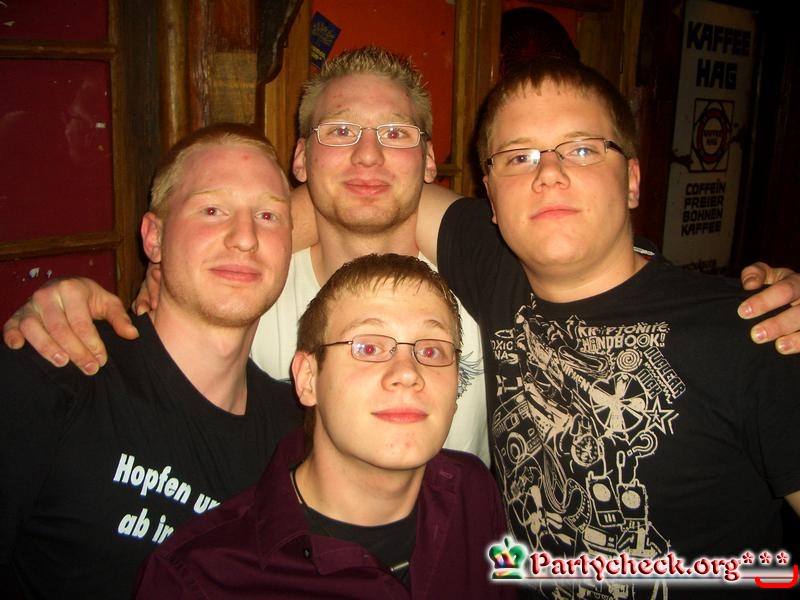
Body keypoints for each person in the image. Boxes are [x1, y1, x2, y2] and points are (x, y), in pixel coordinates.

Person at [414, 56, 800, 598]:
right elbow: (370, 189)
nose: (548, 173)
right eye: (519, 157)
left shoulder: (755, 332)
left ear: (632, 181)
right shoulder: (492, 266)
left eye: (582, 149)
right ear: (492, 200)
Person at [1, 46, 491, 466]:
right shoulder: (248, 291)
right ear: (301, 158)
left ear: (429, 160)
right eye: (340, 131)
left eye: (396, 133)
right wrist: (70, 306)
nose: (368, 155)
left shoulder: (485, 288)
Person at [0, 123, 302, 598]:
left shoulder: (296, 436)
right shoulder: (56, 369)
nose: (245, 238)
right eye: (212, 210)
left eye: (268, 215)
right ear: (154, 237)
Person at [133, 253, 515, 599]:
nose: (407, 373)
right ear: (308, 379)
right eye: (368, 348)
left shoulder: (473, 491)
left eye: (431, 350)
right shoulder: (199, 579)